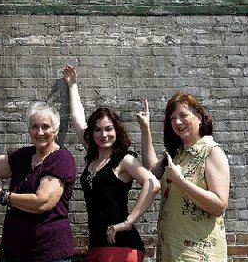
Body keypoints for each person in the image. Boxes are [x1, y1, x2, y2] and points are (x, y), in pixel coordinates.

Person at [62, 65, 160, 262]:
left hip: (122, 247)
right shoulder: (93, 154)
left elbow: (153, 184)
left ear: (117, 131)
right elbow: (77, 118)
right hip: (97, 244)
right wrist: (73, 85)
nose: (103, 134)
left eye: (108, 129)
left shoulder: (124, 159)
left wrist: (128, 222)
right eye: (97, 130)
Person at [0, 95, 77, 262]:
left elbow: (43, 202)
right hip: (14, 250)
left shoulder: (61, 158)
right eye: (35, 127)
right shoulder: (24, 155)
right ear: (29, 129)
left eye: (45, 127)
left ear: (56, 130)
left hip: (48, 253)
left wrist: (3, 196)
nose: (40, 132)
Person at [136, 94, 230, 262]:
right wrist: (145, 129)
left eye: (183, 115)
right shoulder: (177, 154)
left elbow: (219, 206)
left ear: (199, 117)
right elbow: (152, 170)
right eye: (172, 118)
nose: (177, 122)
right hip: (170, 252)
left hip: (197, 255)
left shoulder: (211, 152)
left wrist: (180, 181)